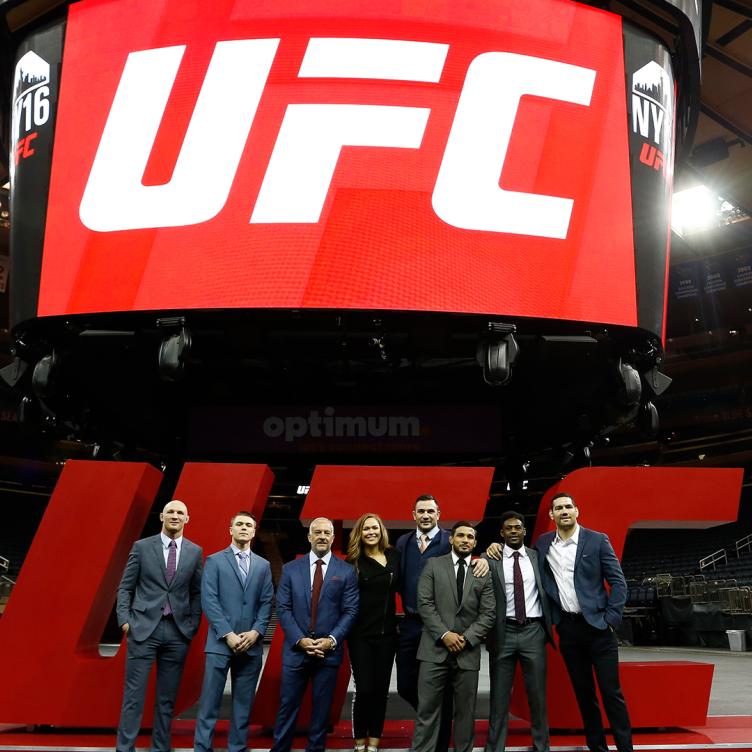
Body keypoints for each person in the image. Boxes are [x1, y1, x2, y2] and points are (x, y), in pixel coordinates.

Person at [537, 492, 632, 752]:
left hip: (599, 629)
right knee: (584, 695)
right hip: (568, 630)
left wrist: (610, 620)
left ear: (577, 511)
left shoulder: (597, 540)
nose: (564, 511)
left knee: (611, 694)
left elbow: (619, 583)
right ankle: (597, 748)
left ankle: (626, 749)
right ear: (551, 515)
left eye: (568, 506)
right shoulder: (544, 545)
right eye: (559, 508)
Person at [395, 494, 488, 752]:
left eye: (430, 511)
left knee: (449, 690)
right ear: (413, 515)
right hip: (413, 622)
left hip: (446, 624)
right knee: (406, 685)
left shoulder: (451, 539)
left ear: (438, 514)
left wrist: (486, 561)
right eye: (421, 511)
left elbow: (466, 562)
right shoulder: (403, 542)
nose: (425, 515)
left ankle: (439, 741)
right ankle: (436, 719)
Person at [115, 499, 203, 752]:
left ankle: (160, 748)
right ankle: (124, 749)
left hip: (177, 632)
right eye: (171, 511)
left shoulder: (195, 552)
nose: (175, 516)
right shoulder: (142, 547)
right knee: (133, 698)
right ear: (162, 516)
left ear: (187, 519)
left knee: (166, 700)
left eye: (180, 513)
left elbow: (197, 593)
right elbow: (125, 587)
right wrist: (124, 621)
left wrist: (192, 623)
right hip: (143, 630)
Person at [271, 517, 359, 752]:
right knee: (287, 707)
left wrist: (331, 640)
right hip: (295, 651)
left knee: (321, 711)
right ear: (309, 537)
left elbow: (350, 610)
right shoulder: (290, 569)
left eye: (326, 533)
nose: (322, 536)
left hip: (328, 653)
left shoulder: (347, 571)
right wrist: (300, 640)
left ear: (332, 537)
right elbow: (283, 608)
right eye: (317, 532)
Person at [412, 521, 496, 752]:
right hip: (434, 649)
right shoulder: (433, 565)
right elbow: (425, 604)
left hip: (467, 652)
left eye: (470, 536)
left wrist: (466, 638)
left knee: (465, 716)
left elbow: (488, 614)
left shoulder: (483, 571)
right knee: (427, 712)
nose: (465, 540)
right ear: (451, 539)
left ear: (475, 542)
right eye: (460, 535)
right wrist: (445, 634)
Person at [194, 511, 274, 752]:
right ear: (231, 529)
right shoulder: (215, 560)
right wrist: (227, 634)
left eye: (248, 525)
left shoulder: (263, 565)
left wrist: (256, 632)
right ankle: (202, 748)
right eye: (239, 524)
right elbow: (209, 600)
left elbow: (267, 602)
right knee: (209, 703)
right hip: (220, 644)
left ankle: (237, 748)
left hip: (251, 645)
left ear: (253, 531)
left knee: (243, 704)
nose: (243, 528)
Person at [484, 511, 554, 752]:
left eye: (517, 527)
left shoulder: (538, 556)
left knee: (537, 696)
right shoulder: (489, 558)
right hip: (502, 632)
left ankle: (541, 746)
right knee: (499, 698)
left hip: (533, 631)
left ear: (524, 531)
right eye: (508, 528)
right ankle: (495, 748)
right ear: (501, 533)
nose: (513, 531)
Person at [346, 513, 401, 752]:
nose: (371, 532)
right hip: (360, 636)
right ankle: (360, 741)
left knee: (381, 691)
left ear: (381, 531)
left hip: (388, 635)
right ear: (360, 532)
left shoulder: (394, 556)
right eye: (366, 528)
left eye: (375, 528)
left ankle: (375, 742)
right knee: (365, 689)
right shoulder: (353, 562)